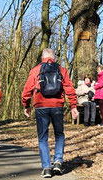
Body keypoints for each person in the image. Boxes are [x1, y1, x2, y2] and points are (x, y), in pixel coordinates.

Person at [21, 48, 78, 178]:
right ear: (54, 57)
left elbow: (27, 89)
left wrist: (26, 104)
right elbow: (69, 88)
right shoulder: (61, 70)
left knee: (42, 138)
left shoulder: (36, 70)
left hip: (41, 106)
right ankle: (58, 161)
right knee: (59, 134)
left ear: (42, 57)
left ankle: (46, 168)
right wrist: (73, 105)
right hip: (57, 105)